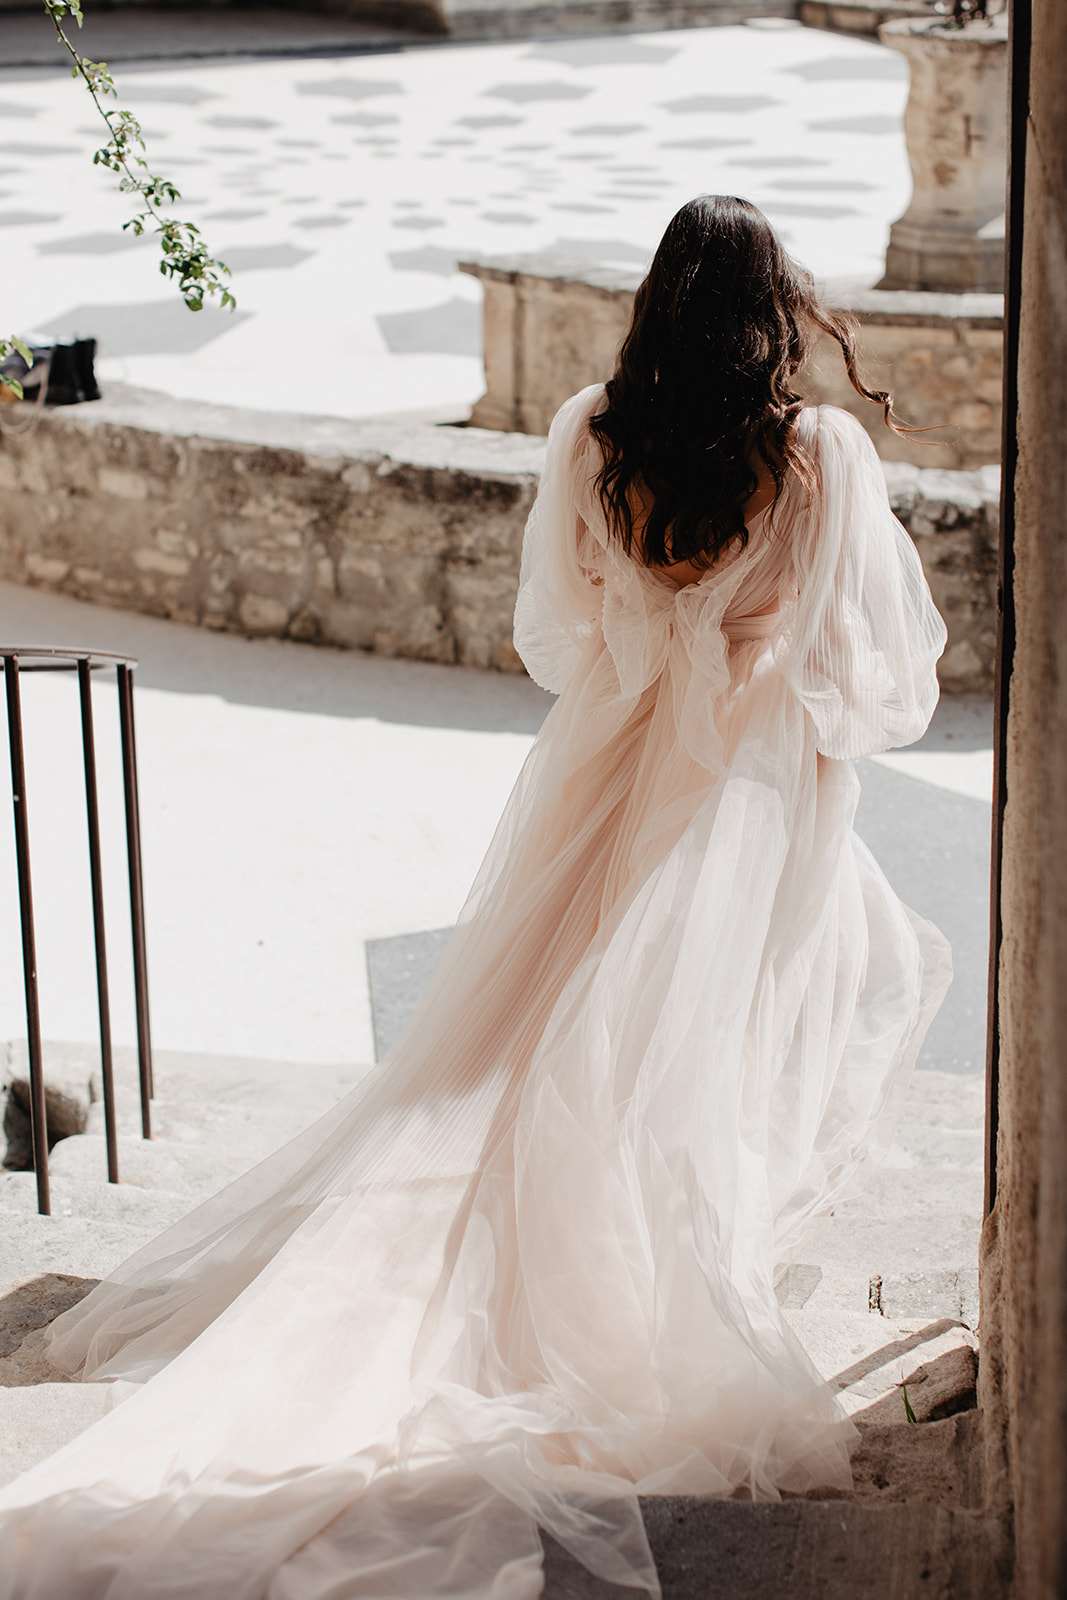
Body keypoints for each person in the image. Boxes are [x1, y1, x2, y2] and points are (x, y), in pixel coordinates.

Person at [0, 195, 951, 1599]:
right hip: (752, 779)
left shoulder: (590, 433)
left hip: (612, 761)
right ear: (771, 311)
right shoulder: (815, 453)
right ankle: (664, 1259)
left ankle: (607, 1229)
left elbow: (561, 637)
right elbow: (871, 673)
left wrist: (660, 647)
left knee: (538, 1024)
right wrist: (751, 680)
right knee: (719, 1017)